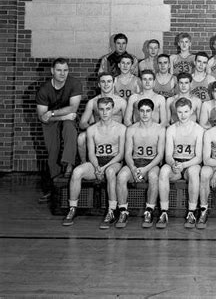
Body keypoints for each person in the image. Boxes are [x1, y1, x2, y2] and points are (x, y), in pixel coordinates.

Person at [62, 97, 126, 228]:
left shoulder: (121, 128)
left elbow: (120, 155)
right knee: (77, 172)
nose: (105, 112)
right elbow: (91, 153)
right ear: (98, 111)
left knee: (110, 172)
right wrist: (97, 167)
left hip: (113, 162)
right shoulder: (92, 129)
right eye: (101, 109)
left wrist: (104, 168)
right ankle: (72, 208)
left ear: (112, 110)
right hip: (97, 161)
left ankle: (111, 210)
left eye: (108, 109)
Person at [36, 58, 82, 203]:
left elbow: (73, 108)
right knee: (52, 150)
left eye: (65, 70)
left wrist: (53, 113)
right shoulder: (44, 90)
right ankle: (55, 187)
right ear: (52, 71)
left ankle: (69, 166)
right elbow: (43, 118)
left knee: (70, 127)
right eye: (59, 70)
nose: (62, 73)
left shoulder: (74, 83)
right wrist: (60, 117)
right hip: (53, 121)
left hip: (65, 117)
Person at [115, 99, 166, 229]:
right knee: (121, 176)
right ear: (138, 112)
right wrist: (133, 169)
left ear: (152, 112)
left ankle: (149, 210)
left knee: (154, 177)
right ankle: (123, 211)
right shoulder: (131, 129)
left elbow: (160, 155)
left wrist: (145, 170)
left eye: (148, 111)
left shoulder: (160, 129)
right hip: (135, 162)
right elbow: (127, 153)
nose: (145, 114)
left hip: (151, 164)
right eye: (142, 111)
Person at [158, 98, 204, 229]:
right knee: (164, 171)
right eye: (180, 112)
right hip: (176, 163)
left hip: (191, 163)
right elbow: (168, 155)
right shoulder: (171, 129)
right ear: (175, 112)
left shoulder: (199, 130)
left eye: (186, 111)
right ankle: (164, 211)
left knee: (194, 172)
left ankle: (192, 212)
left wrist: (184, 165)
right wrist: (173, 163)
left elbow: (199, 157)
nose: (183, 115)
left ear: (191, 111)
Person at [77, 73, 127, 163]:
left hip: (116, 133)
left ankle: (122, 162)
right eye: (103, 82)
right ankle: (84, 163)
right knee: (81, 137)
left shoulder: (121, 102)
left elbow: (127, 122)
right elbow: (82, 123)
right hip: (98, 132)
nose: (106, 84)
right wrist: (94, 128)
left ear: (113, 82)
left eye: (109, 81)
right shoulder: (92, 102)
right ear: (99, 84)